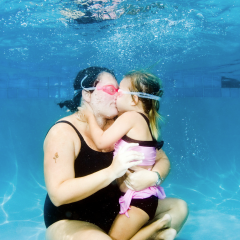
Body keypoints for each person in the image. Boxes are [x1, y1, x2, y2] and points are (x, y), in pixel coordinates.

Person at [43, 66, 188, 240]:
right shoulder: (63, 132)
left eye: (119, 90)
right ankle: (153, 234)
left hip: (116, 210)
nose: (117, 95)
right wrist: (112, 171)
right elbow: (58, 195)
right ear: (87, 94)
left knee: (179, 208)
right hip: (72, 219)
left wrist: (154, 177)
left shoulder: (120, 123)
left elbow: (162, 159)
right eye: (111, 90)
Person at [83, 70, 169, 240]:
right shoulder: (145, 121)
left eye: (120, 91)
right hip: (143, 198)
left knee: (115, 239)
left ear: (134, 99)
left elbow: (101, 142)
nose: (115, 96)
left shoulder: (130, 117)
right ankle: (162, 233)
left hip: (139, 200)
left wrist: (89, 115)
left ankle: (159, 227)